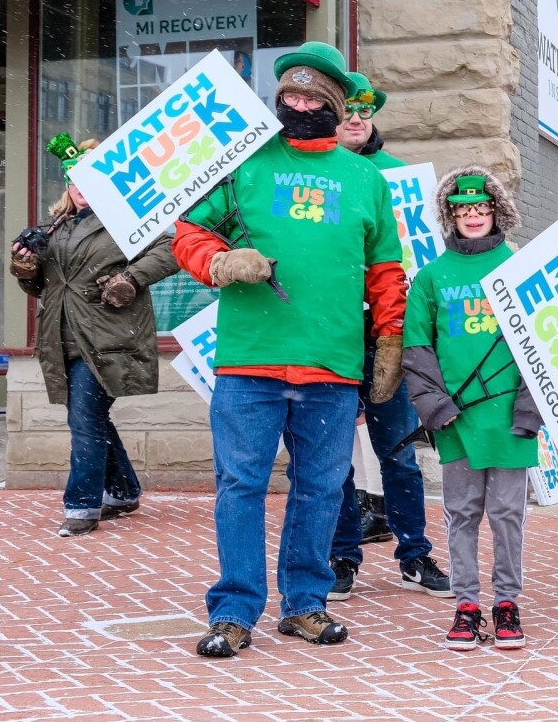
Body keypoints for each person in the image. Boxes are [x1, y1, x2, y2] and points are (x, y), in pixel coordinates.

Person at [174, 41, 406, 658]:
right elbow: (189, 232)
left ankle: (305, 603)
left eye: (310, 98)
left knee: (321, 489)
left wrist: (389, 339)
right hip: (249, 360)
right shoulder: (245, 163)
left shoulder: (365, 179)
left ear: (334, 105)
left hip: (330, 362)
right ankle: (234, 610)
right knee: (240, 486)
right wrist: (221, 260)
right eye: (289, 98)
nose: (299, 106)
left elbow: (386, 270)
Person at [401, 166, 544, 652]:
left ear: (495, 211)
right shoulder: (431, 278)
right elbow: (417, 348)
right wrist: (435, 407)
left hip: (510, 418)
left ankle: (507, 603)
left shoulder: (521, 266)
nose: (474, 217)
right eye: (464, 210)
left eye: (481, 209)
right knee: (461, 513)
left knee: (507, 514)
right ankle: (466, 605)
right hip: (456, 419)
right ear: (450, 216)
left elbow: (543, 347)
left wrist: (531, 408)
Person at [9, 134, 178, 537]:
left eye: (90, 183)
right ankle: (122, 490)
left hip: (108, 338)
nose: (81, 191)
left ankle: (82, 505)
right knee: (90, 416)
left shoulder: (128, 220)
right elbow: (44, 288)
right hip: (63, 337)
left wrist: (131, 278)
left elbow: (172, 247)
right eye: (74, 183)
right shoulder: (57, 227)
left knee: (84, 417)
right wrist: (25, 266)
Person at [327, 72, 452, 601]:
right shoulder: (317, 174)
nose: (356, 117)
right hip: (330, 329)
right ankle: (341, 556)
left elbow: (425, 261)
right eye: (346, 109)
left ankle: (414, 553)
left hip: (389, 328)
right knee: (331, 453)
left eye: (364, 109)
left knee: (397, 449)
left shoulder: (400, 179)